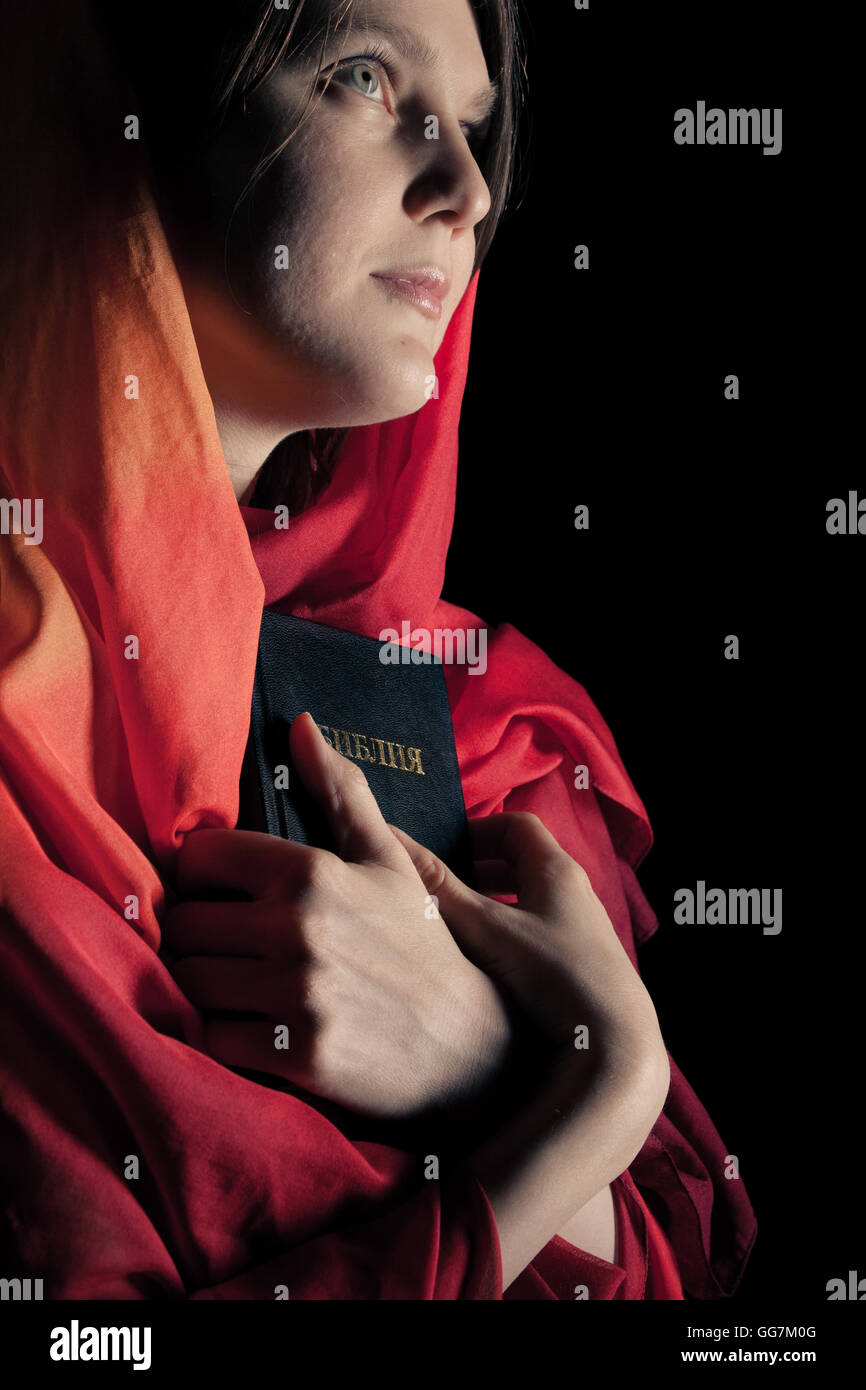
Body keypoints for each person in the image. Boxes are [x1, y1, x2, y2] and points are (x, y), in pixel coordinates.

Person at [0, 0, 756, 1298]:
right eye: (361, 76)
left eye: (472, 125)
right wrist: (588, 1094)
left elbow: (678, 1262)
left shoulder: (491, 718)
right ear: (119, 116)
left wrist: (483, 1066)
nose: (462, 188)